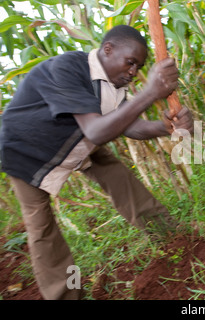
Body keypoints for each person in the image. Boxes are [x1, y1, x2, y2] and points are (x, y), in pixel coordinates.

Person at [0, 25, 194, 300]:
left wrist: (166, 128)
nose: (133, 72)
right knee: (42, 228)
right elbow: (96, 131)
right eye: (130, 63)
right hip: (27, 152)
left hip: (76, 143)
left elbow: (129, 126)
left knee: (119, 178)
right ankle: (66, 295)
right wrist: (149, 93)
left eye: (138, 68)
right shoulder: (67, 68)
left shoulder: (113, 86)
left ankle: (171, 238)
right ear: (107, 50)